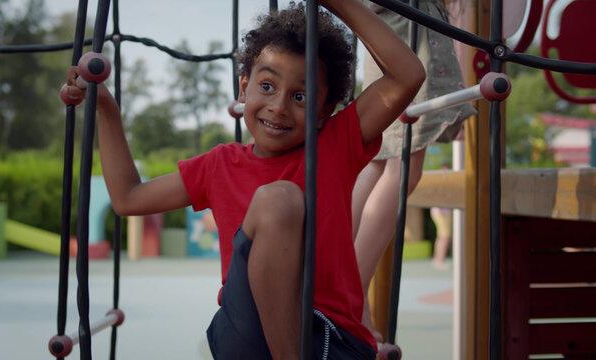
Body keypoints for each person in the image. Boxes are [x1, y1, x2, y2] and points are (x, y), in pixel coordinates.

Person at [65, 1, 424, 358]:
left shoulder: (334, 144)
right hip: (250, 332)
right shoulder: (220, 165)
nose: (279, 106)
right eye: (267, 86)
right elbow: (129, 198)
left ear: (323, 112)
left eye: (301, 96)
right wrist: (106, 110)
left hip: (331, 336)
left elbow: (408, 75)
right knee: (277, 200)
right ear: (243, 87)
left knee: (278, 198)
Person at [351, 0, 477, 342]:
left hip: (388, 39)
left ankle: (337, 270)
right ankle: (353, 293)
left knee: (378, 161)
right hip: (410, 41)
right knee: (403, 167)